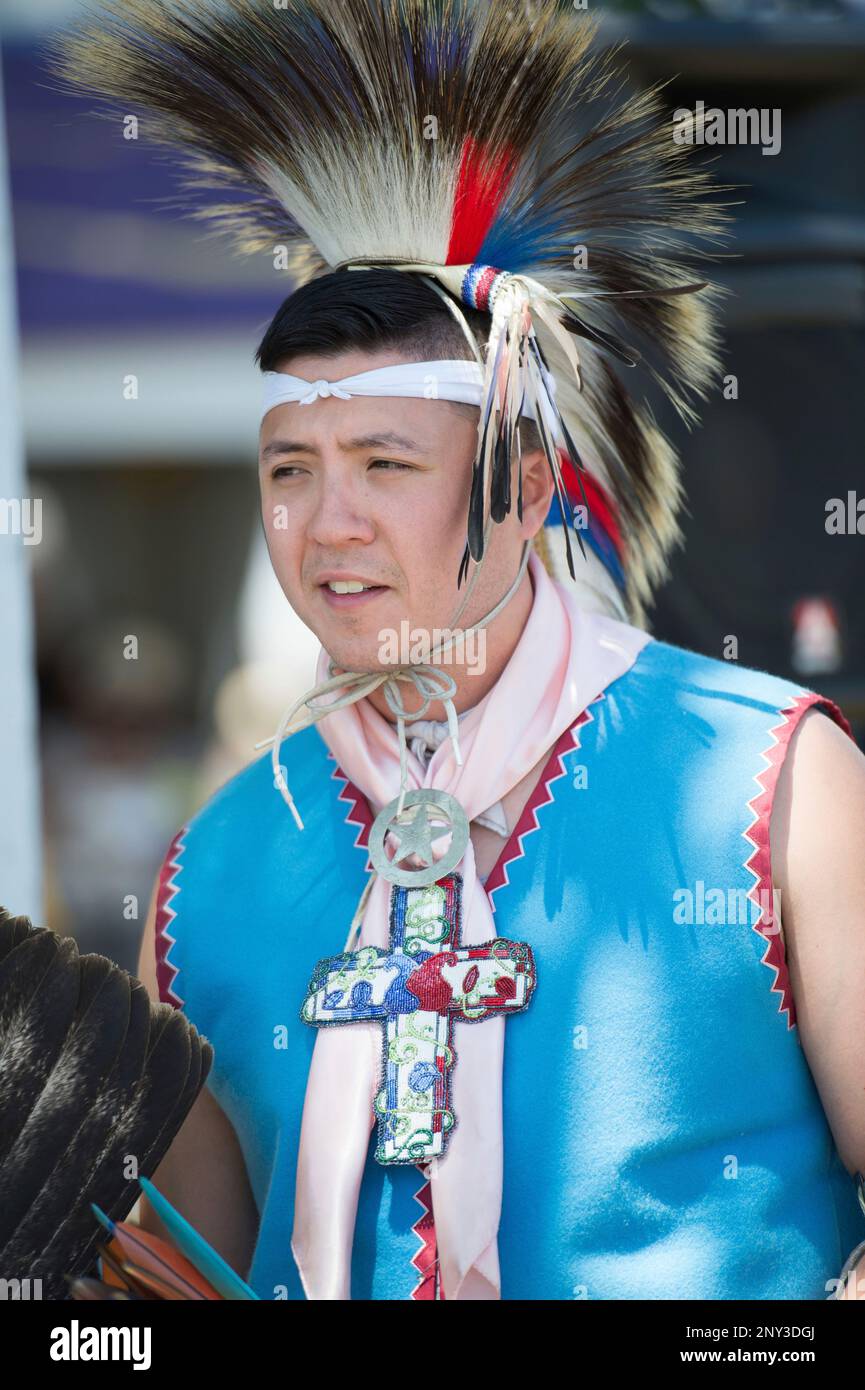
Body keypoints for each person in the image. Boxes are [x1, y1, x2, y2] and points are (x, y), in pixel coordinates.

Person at [53, 0, 865, 1301]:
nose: (330, 524)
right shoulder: (216, 862)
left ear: (527, 485)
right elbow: (178, 1294)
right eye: (289, 469)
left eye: (384, 463)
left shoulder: (767, 791)